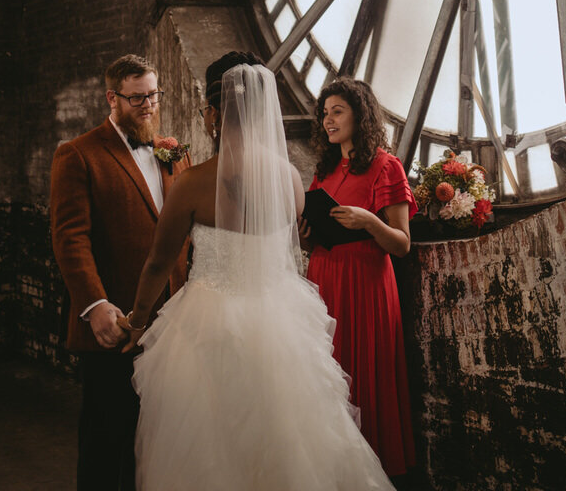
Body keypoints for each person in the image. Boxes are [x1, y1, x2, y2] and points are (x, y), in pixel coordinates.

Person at [120, 51, 394, 491]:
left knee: (206, 445)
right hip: (279, 320)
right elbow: (291, 245)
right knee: (291, 442)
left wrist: (137, 320)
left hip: (206, 323)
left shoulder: (192, 183)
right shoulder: (288, 178)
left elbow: (158, 262)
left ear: (213, 114)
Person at [49, 54, 191, 491]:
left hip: (171, 319)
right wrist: (93, 305)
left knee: (156, 438)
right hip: (114, 319)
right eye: (137, 98)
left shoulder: (175, 153)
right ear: (112, 97)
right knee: (106, 436)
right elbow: (71, 238)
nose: (148, 105)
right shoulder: (78, 154)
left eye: (153, 95)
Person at [303, 76, 418, 479]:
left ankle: (372, 473)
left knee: (362, 373)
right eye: (324, 113)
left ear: (360, 115)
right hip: (324, 275)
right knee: (327, 373)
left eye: (338, 111)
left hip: (365, 283)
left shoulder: (387, 167)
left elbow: (402, 243)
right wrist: (306, 233)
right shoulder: (325, 170)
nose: (328, 120)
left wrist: (370, 221)